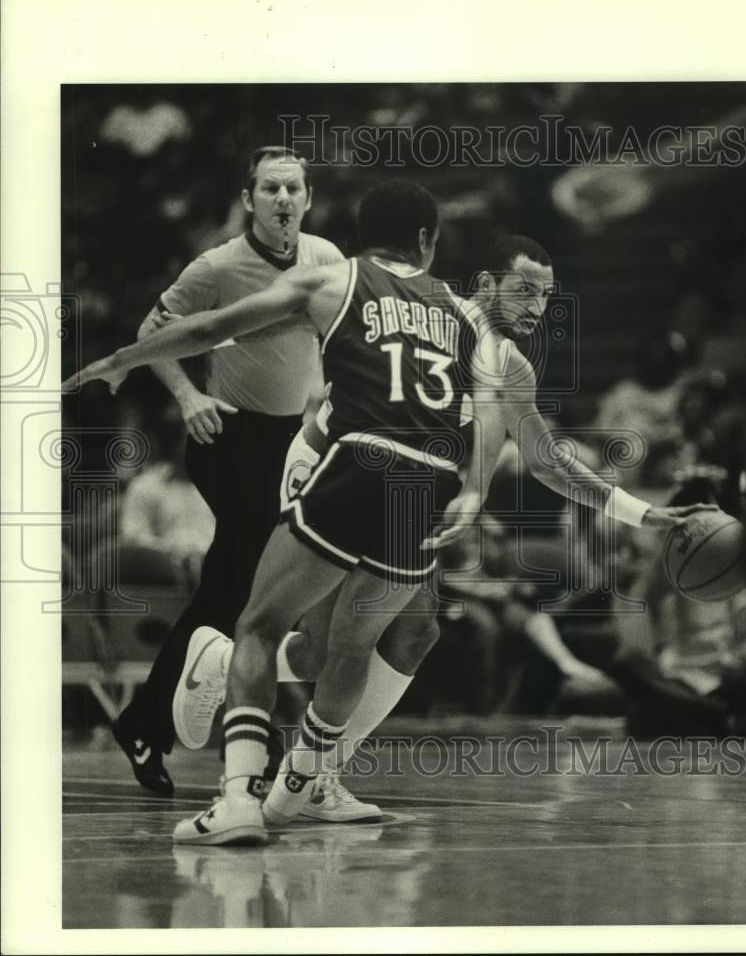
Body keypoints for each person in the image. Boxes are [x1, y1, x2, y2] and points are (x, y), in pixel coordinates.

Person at [168, 234, 717, 811]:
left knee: (407, 632)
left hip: (402, 486)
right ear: (484, 286)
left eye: (546, 297)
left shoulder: (508, 364)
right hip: (332, 465)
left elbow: (547, 460)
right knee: (344, 641)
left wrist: (643, 512)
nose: (535, 307)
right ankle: (298, 769)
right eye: (523, 290)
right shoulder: (430, 314)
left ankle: (264, 711)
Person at [63, 179, 507, 845]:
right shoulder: (469, 315)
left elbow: (214, 327)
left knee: (262, 624)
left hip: (355, 461)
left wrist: (124, 360)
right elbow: (493, 410)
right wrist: (474, 489)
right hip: (427, 484)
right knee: (352, 644)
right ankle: (304, 778)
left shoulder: (334, 280)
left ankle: (244, 793)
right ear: (427, 241)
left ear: (361, 237)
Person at [109, 146, 344, 796]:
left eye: (293, 188)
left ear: (308, 197)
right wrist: (188, 397)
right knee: (249, 584)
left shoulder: (325, 259)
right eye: (269, 188)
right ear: (249, 199)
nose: (282, 199)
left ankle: (160, 724)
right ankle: (247, 740)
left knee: (237, 593)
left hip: (292, 443)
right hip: (228, 437)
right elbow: (150, 331)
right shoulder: (217, 265)